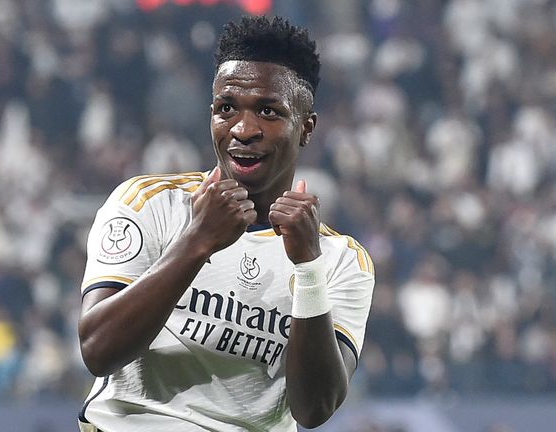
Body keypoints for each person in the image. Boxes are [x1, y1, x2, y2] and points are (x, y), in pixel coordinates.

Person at [78, 15, 375, 432]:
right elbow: (98, 350)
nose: (243, 128)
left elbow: (314, 409)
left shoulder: (340, 259)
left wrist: (308, 268)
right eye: (227, 108)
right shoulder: (149, 203)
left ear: (305, 128)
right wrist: (197, 242)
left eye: (268, 111)